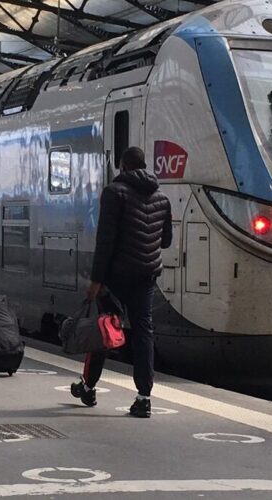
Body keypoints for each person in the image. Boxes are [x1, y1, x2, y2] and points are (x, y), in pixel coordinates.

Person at [70, 147, 172, 418]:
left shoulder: (114, 193)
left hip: (116, 276)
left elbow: (106, 241)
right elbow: (166, 240)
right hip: (146, 275)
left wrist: (96, 280)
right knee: (143, 332)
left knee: (105, 329)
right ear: (144, 165)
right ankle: (144, 398)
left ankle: (89, 387)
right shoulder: (162, 197)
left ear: (124, 166)